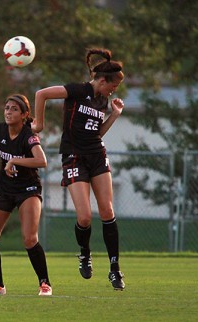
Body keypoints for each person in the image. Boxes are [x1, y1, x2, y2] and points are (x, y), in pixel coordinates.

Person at [33, 48, 126, 290]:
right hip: (73, 157)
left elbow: (97, 133)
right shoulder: (76, 90)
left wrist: (114, 116)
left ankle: (115, 269)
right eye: (112, 87)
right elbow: (41, 93)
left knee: (107, 210)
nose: (112, 91)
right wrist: (39, 123)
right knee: (84, 216)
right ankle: (85, 253)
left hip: (97, 156)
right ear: (102, 80)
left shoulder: (103, 101)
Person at [0, 94, 53, 296]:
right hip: (4, 189)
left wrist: (14, 161)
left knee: (29, 239)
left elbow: (41, 161)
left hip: (28, 190)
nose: (9, 112)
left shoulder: (28, 135)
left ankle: (45, 283)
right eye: (7, 108)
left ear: (25, 114)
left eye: (14, 109)